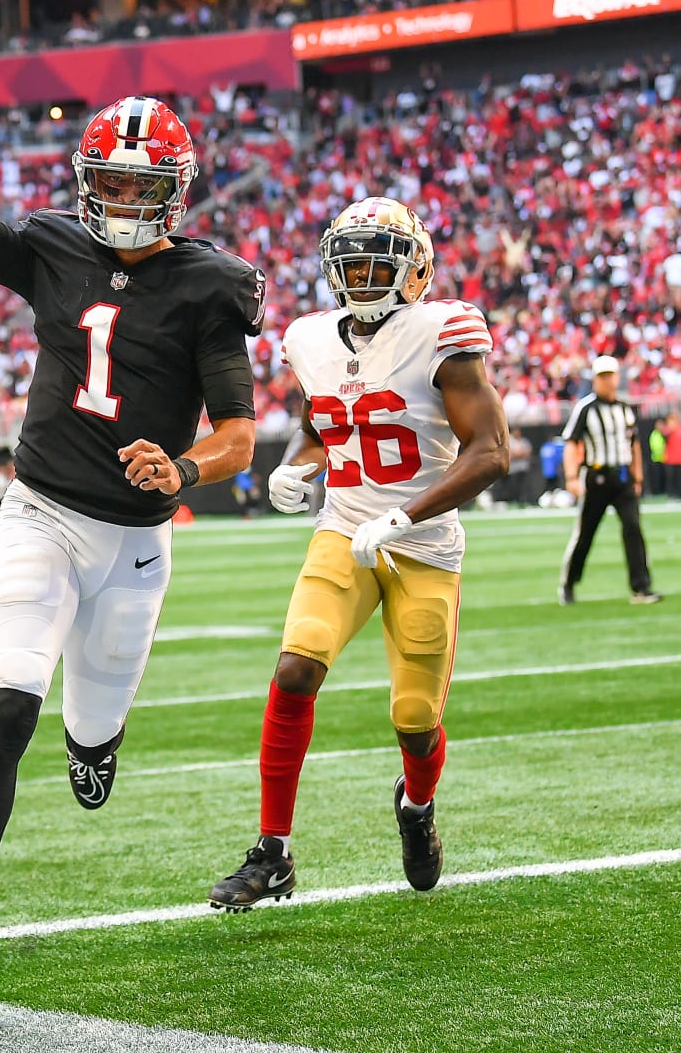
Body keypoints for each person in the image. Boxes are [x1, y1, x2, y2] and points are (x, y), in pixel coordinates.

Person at [0, 8, 264, 1000]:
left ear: (175, 190)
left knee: (90, 734)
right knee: (9, 706)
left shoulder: (210, 285)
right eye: (113, 182)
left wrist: (184, 471)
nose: (126, 198)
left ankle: (98, 745)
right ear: (89, 185)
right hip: (41, 513)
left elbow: (238, 435)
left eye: (143, 184)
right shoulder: (51, 247)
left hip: (135, 543)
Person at [206, 197, 508, 913]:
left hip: (424, 545)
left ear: (415, 272)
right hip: (344, 530)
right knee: (296, 663)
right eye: (354, 264)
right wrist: (298, 465)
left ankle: (417, 806)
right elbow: (328, 422)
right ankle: (272, 851)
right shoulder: (311, 338)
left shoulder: (443, 332)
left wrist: (405, 513)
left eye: (380, 263)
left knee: (414, 717)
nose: (366, 275)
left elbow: (492, 451)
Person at [558, 356, 659, 604]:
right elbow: (571, 443)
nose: (607, 380)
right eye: (602, 376)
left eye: (610, 375)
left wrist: (637, 476)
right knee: (585, 534)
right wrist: (572, 477)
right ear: (595, 379)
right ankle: (568, 584)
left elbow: (633, 443)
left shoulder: (625, 408)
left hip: (622, 477)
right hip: (596, 476)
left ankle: (641, 587)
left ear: (616, 377)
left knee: (633, 528)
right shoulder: (585, 408)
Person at [663, 414, 681, 501]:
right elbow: (664, 440)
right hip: (670, 459)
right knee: (671, 479)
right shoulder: (667, 432)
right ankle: (673, 496)